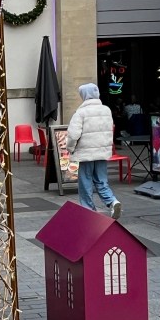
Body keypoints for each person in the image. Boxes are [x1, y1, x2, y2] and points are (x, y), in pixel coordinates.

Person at [66, 83, 122, 219]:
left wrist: (70, 148)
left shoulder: (81, 113)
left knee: (85, 181)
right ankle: (112, 201)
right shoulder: (106, 110)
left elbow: (73, 134)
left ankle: (88, 209)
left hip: (85, 153)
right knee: (101, 181)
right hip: (102, 152)